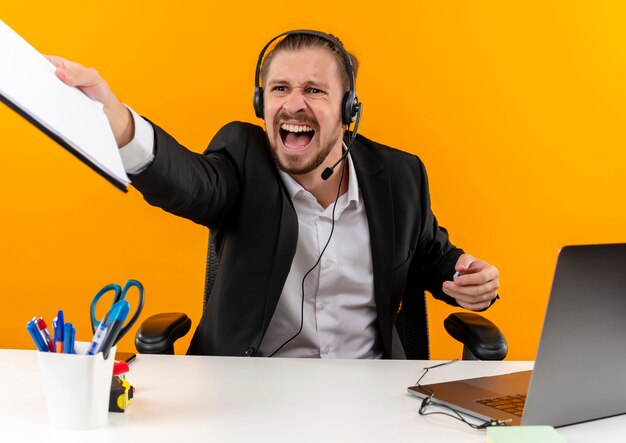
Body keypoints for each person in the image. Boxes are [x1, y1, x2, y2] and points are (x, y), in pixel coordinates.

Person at [47, 30, 499, 358]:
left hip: (372, 395)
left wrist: (470, 284)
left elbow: (435, 259)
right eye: (280, 88)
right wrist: (122, 125)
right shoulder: (243, 157)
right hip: (252, 394)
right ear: (261, 103)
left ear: (348, 110)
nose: (293, 104)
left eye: (314, 90)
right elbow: (190, 183)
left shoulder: (400, 177)